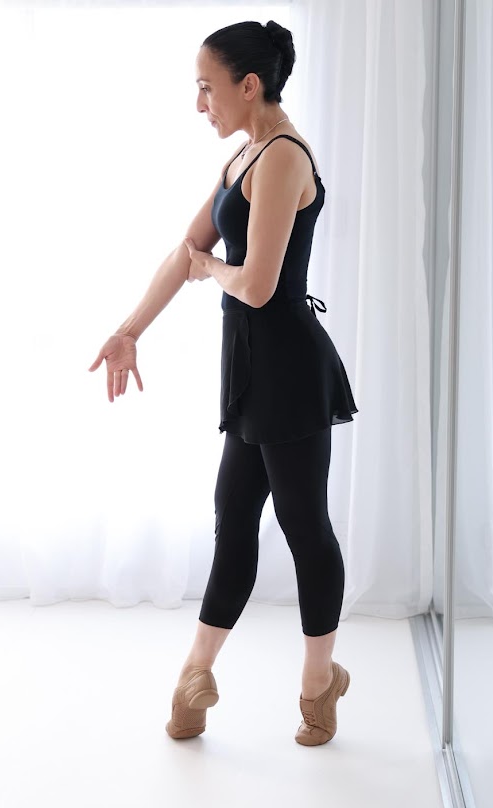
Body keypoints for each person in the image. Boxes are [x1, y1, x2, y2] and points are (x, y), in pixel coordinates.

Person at [89, 20, 358, 746]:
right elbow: (187, 252)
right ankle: (196, 674)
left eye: (207, 88)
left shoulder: (282, 158)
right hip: (250, 370)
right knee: (232, 514)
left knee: (304, 526)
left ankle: (317, 682)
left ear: (250, 84)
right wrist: (129, 329)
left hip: (291, 372)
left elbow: (261, 285)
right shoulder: (243, 158)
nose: (200, 103)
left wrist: (212, 271)